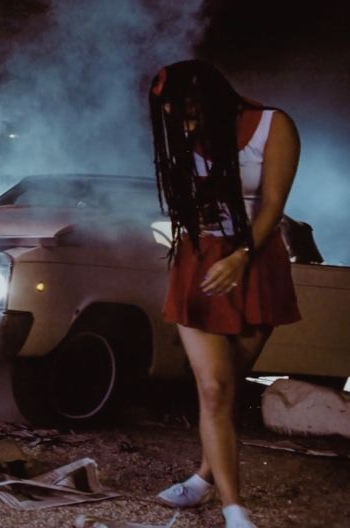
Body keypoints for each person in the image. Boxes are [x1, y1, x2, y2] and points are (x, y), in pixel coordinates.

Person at [148, 60, 301, 528]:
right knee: (213, 388)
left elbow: (273, 204)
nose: (180, 119)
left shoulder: (273, 126)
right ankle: (236, 513)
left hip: (255, 261)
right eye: (172, 111)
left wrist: (239, 258)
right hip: (199, 263)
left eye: (188, 108)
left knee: (229, 388)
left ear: (213, 98)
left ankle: (202, 479)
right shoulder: (184, 137)